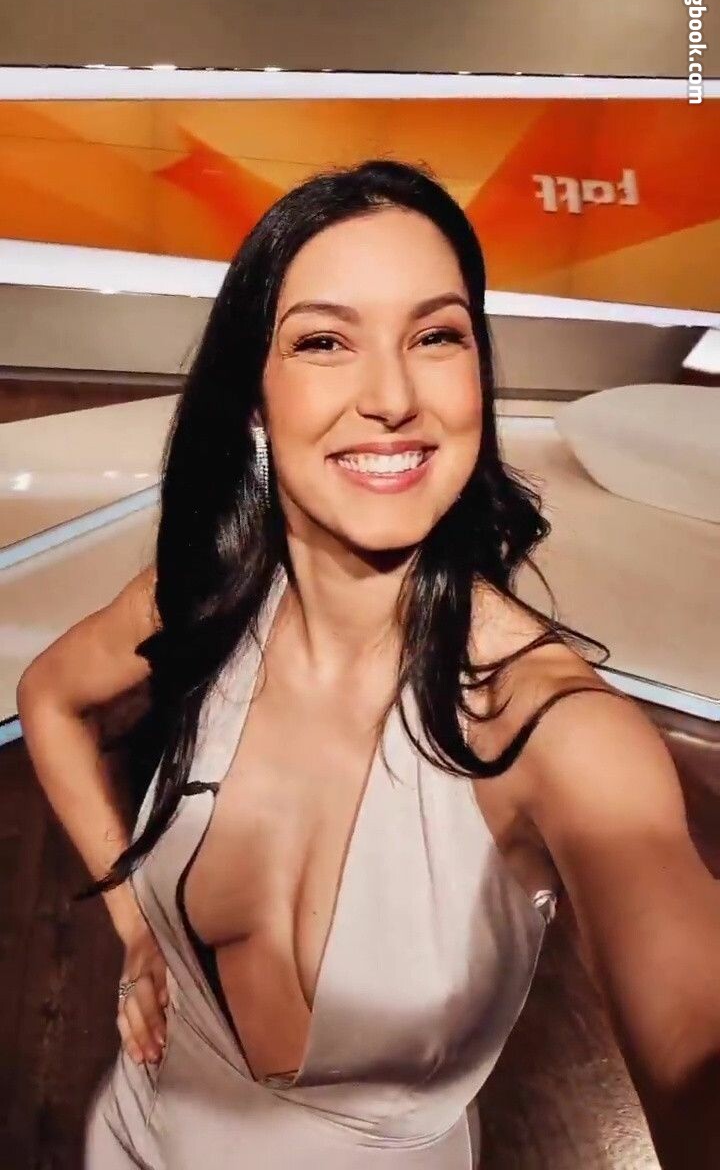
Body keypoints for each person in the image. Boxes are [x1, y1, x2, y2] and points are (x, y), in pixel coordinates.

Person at [16, 160, 720, 1170]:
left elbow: (694, 1026)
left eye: (437, 336)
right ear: (253, 395)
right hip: (134, 1139)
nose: (392, 397)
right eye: (324, 341)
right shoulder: (203, 599)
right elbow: (47, 695)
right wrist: (136, 928)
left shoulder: (557, 729)